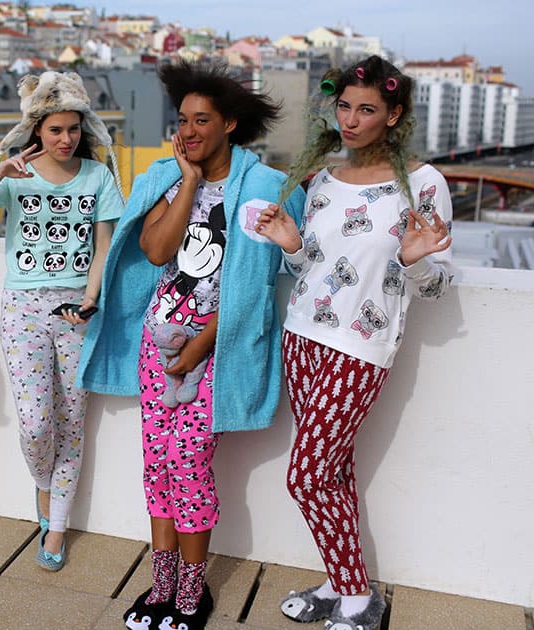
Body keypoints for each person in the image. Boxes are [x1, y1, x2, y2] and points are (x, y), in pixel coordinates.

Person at [77, 59, 306, 629]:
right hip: (157, 346)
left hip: (212, 353)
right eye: (182, 120)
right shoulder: (166, 177)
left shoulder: (264, 190)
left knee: (191, 470)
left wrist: (204, 342)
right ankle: (161, 586)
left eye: (202, 120)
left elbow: (263, 284)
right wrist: (188, 183)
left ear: (230, 123)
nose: (189, 131)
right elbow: (157, 252)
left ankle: (191, 593)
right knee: (158, 466)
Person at [255, 55, 453, 630]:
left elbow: (436, 287)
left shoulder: (423, 184)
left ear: (394, 115)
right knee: (332, 473)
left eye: (367, 109)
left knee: (306, 475)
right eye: (344, 106)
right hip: (302, 337)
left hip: (359, 347)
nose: (351, 119)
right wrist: (292, 247)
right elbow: (312, 271)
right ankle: (341, 584)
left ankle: (361, 600)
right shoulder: (322, 179)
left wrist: (416, 262)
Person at [0, 71, 124, 571]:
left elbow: (104, 248)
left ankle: (58, 526)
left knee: (72, 422)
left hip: (78, 311)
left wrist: (91, 299)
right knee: (35, 423)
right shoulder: (16, 174)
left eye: (73, 129)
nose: (66, 139)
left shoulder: (98, 177)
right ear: (37, 132)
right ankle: (45, 490)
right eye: (55, 130)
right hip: (23, 309)